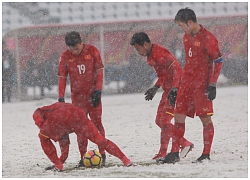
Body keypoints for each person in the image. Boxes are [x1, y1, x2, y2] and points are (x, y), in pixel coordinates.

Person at [162, 8, 223, 164]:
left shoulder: (208, 38)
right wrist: (178, 85)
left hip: (201, 86)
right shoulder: (186, 37)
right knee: (178, 116)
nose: (181, 29)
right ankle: (174, 153)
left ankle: (206, 154)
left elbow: (218, 61)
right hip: (186, 84)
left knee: (205, 119)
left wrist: (213, 84)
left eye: (182, 25)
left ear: (190, 23)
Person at [130, 32, 193, 161]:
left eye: (138, 49)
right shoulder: (152, 55)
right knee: (159, 120)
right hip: (168, 89)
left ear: (146, 44)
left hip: (177, 89)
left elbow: (177, 68)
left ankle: (180, 145)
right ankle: (169, 149)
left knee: (165, 121)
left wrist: (175, 88)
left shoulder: (159, 53)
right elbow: (164, 74)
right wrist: (156, 87)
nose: (138, 52)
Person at [32, 102, 133, 171]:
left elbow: (38, 118)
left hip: (61, 116)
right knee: (100, 140)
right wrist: (62, 159)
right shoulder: (54, 111)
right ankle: (126, 160)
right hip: (77, 113)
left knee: (42, 137)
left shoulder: (40, 113)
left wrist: (42, 126)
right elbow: (64, 141)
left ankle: (58, 166)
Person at [57, 31, 106, 165]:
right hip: (78, 100)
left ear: (81, 42)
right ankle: (83, 156)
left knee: (97, 124)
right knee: (81, 128)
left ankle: (102, 154)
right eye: (71, 49)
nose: (75, 51)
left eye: (77, 48)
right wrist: (61, 98)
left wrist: (98, 90)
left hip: (93, 96)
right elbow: (62, 78)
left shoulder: (92, 50)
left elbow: (99, 71)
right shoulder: (65, 57)